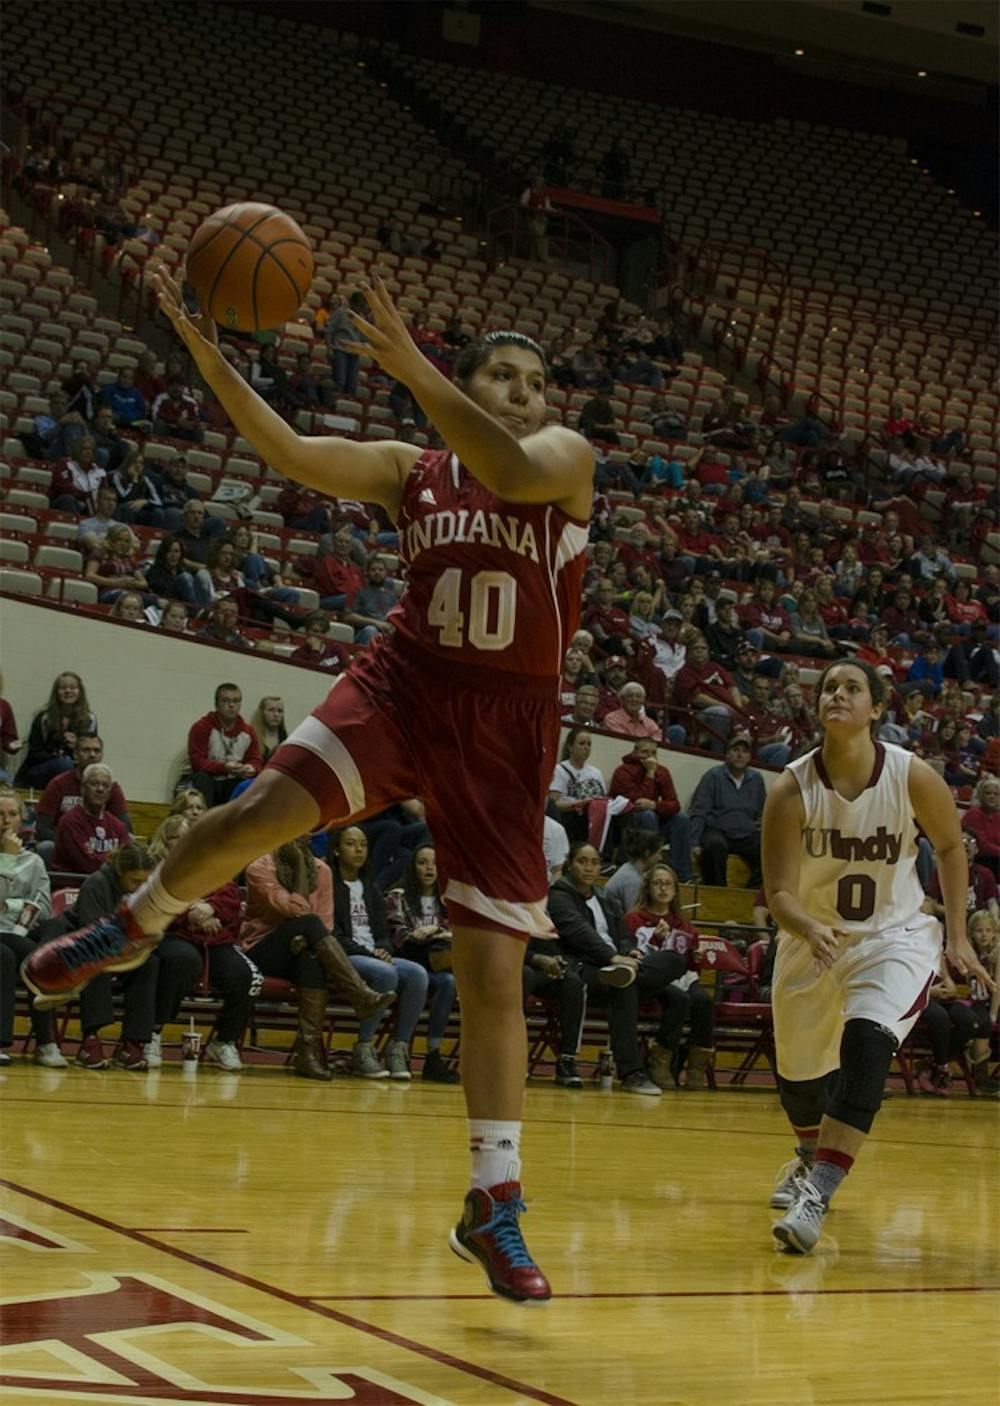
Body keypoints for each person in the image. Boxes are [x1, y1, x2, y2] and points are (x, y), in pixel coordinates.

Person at [28, 269, 595, 1303]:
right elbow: (288, 451)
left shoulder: (561, 462)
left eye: (531, 381)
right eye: (500, 376)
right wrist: (211, 360)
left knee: (490, 978)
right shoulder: (410, 469)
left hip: (506, 734)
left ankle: (491, 1199)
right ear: (468, 382)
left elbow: (508, 464)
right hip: (406, 687)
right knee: (249, 814)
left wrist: (417, 368)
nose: (520, 394)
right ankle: (142, 919)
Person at [762, 659, 993, 1255]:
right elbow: (779, 893)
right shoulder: (791, 787)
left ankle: (820, 1190)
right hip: (812, 940)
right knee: (799, 1084)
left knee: (868, 1042)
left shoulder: (911, 775)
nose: (836, 694)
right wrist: (807, 926)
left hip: (895, 936)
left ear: (877, 709)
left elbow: (948, 846)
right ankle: (810, 1158)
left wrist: (959, 936)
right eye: (828, 688)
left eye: (851, 687)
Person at [241, 835, 396, 1080]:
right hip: (262, 948)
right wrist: (302, 866)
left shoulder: (323, 870)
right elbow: (299, 911)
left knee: (312, 960)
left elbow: (326, 924)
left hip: (304, 949)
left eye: (306, 830)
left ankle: (308, 1054)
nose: (301, 836)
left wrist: (307, 939)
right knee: (308, 924)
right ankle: (360, 994)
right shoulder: (259, 868)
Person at [330, 826, 431, 1080]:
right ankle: (363, 1048)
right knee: (386, 973)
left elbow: (383, 932)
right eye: (351, 844)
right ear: (336, 850)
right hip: (345, 955)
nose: (359, 850)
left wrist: (384, 949)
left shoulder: (370, 887)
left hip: (374, 954)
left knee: (418, 974)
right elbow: (334, 935)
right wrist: (372, 953)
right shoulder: (330, 886)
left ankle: (398, 1048)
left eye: (363, 844)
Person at [624, 863, 717, 1089]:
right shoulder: (634, 919)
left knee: (704, 1000)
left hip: (683, 977)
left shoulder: (685, 925)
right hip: (652, 978)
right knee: (679, 1000)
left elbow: (695, 966)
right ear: (647, 888)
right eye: (658, 883)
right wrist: (656, 940)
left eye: (668, 884)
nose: (663, 889)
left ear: (675, 890)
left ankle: (696, 1066)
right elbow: (636, 957)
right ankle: (660, 1060)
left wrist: (697, 957)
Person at [385, 844, 461, 1084]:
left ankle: (433, 1053)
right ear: (413, 866)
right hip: (406, 961)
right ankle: (400, 1047)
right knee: (426, 974)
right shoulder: (398, 895)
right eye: (423, 862)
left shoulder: (447, 899)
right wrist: (437, 934)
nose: (429, 868)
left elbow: (455, 932)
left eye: (435, 863)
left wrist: (433, 930)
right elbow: (401, 937)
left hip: (437, 964)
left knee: (449, 981)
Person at [0, 790, 65, 1068]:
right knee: (11, 956)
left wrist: (7, 907)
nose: (6, 821)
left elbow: (42, 906)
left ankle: (46, 1042)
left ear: (21, 820)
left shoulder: (35, 861)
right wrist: (6, 859)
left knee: (43, 947)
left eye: (12, 814)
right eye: (0, 815)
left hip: (20, 932)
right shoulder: (12, 859)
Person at [34, 734, 131, 865]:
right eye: (86, 750)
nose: (92, 755)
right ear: (75, 755)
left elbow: (126, 827)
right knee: (46, 847)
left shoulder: (112, 787)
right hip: (65, 843)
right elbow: (42, 828)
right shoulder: (58, 784)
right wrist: (74, 842)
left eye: (96, 751)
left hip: (100, 846)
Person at [608, 737, 694, 883]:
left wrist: (655, 805)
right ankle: (651, 873)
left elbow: (674, 804)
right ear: (635, 752)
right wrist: (650, 774)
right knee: (647, 815)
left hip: (654, 822)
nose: (649, 756)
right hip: (628, 826)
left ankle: (683, 876)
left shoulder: (662, 771)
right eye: (644, 752)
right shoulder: (623, 771)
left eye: (653, 752)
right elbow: (640, 802)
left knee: (681, 818)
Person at [688, 734, 765, 887]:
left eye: (744, 751)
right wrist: (693, 842)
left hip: (746, 834)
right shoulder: (713, 776)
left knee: (773, 852)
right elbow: (699, 811)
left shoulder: (757, 779)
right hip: (718, 830)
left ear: (750, 757)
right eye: (735, 750)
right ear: (727, 753)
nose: (739, 755)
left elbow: (762, 813)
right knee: (714, 846)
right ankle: (718, 892)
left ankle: (750, 895)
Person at [185, 684, 262, 808]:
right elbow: (197, 762)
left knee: (247, 784)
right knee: (201, 778)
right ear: (216, 704)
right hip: (208, 780)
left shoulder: (248, 732)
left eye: (236, 701)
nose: (231, 705)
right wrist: (224, 767)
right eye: (226, 701)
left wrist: (250, 768)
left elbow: (256, 761)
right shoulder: (202, 727)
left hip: (232, 781)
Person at [17, 672, 97, 789]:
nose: (68, 691)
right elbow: (34, 753)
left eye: (73, 688)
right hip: (41, 770)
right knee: (64, 764)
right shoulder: (44, 717)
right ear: (56, 692)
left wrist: (76, 746)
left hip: (76, 769)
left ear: (80, 692)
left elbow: (92, 754)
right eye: (63, 688)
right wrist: (58, 757)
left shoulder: (89, 719)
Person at [51, 764, 131, 876]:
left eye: (105, 785)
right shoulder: (70, 822)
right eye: (94, 784)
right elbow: (88, 865)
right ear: (83, 788)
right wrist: (115, 858)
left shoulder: (118, 826)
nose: (100, 789)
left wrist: (101, 857)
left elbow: (130, 861)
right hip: (74, 884)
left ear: (110, 792)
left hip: (108, 884)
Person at [250, 697, 288, 764]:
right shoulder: (251, 736)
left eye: (280, 711)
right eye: (271, 710)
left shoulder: (285, 739)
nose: (276, 714)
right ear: (262, 713)